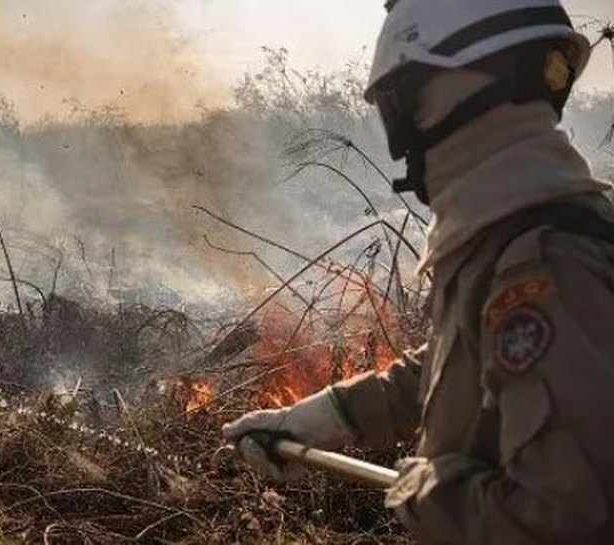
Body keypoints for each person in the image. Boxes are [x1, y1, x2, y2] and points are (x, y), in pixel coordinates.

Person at [223, 1, 614, 543]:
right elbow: (469, 361)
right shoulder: (522, 236)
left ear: (439, 97)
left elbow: (568, 520)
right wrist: (319, 418)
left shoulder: (543, 266)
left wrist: (423, 491)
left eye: (399, 106)